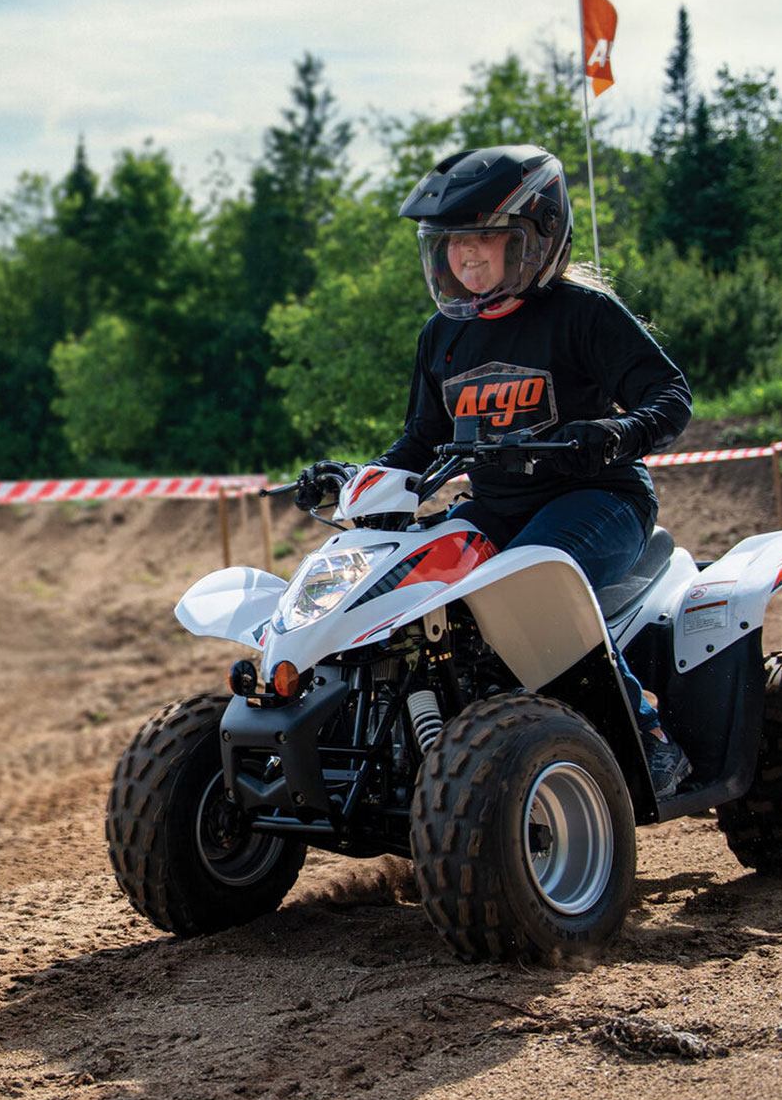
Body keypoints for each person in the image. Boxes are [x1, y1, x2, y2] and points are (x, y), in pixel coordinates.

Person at [296, 143, 694, 796]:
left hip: (600, 499)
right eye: (452, 242)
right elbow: (422, 438)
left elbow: (671, 396)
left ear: (536, 239)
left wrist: (618, 434)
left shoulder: (583, 314)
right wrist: (357, 480)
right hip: (495, 509)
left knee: (529, 583)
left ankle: (649, 738)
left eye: (485, 237)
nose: (468, 256)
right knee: (407, 586)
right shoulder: (443, 337)